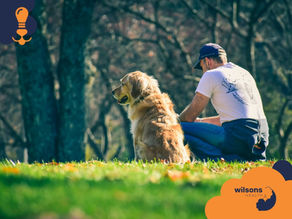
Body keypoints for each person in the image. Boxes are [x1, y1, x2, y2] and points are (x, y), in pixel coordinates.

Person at [179, 43, 269, 161]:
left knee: (177, 129)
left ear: (207, 61)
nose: (203, 72)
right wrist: (200, 122)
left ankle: (224, 159)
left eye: (202, 67)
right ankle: (245, 157)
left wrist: (176, 119)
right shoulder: (244, 73)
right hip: (262, 136)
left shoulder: (211, 74)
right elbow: (236, 117)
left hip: (238, 134)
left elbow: (190, 116)